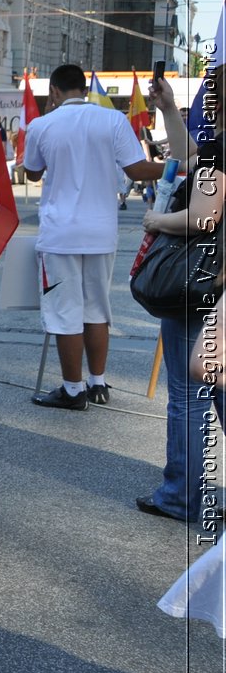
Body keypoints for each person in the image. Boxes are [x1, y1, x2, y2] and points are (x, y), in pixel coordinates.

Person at [23, 64, 165, 409]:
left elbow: (32, 171)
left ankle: (73, 390)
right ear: (84, 88)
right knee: (97, 308)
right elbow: (136, 170)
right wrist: (181, 166)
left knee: (64, 312)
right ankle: (98, 383)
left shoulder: (42, 125)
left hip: (60, 234)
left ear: (54, 91)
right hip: (102, 230)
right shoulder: (113, 120)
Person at [134, 75, 222, 522]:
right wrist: (169, 109)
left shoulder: (224, 148)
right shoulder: (218, 152)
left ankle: (182, 495)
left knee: (189, 397)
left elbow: (204, 216)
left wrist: (156, 220)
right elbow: (193, 159)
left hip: (203, 286)